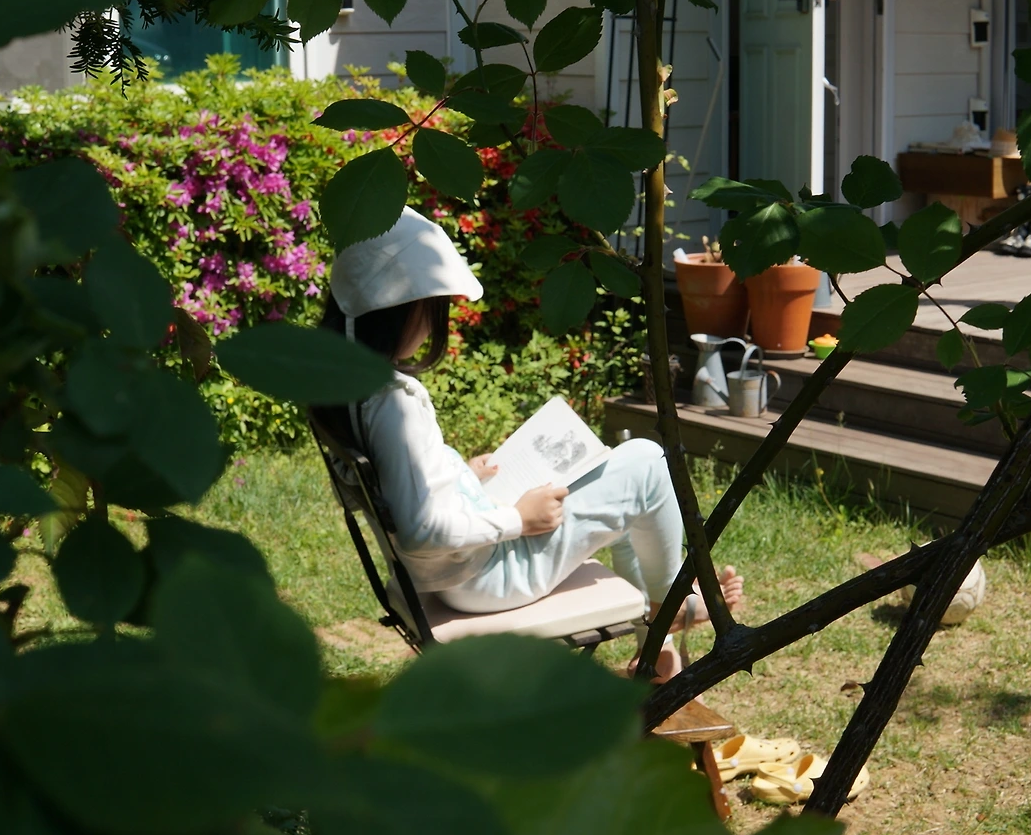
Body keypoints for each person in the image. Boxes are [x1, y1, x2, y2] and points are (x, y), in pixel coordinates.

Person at [312, 207, 744, 681]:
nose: (436, 323)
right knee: (648, 463)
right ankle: (666, 608)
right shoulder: (396, 401)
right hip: (487, 577)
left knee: (617, 487)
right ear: (401, 308)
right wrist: (520, 519)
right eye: (433, 308)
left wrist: (459, 475)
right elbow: (422, 529)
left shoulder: (346, 388)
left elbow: (391, 498)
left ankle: (657, 653)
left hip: (452, 572)